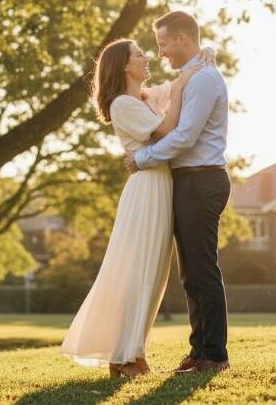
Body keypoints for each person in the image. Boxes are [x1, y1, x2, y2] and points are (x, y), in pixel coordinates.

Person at [59, 37, 215, 378]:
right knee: (140, 271)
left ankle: (129, 354)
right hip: (146, 190)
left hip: (158, 186)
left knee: (153, 273)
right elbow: (166, 129)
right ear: (123, 65)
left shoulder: (141, 98)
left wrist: (201, 59)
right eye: (139, 54)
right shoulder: (122, 105)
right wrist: (186, 81)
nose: (147, 58)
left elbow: (170, 89)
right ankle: (127, 356)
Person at [124, 11, 231, 374]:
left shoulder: (202, 81)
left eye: (164, 43)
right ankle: (200, 351)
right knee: (191, 273)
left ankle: (214, 355)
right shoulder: (191, 78)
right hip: (189, 181)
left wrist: (142, 158)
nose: (161, 52)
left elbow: (184, 137)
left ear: (184, 40)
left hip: (201, 180)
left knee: (202, 270)